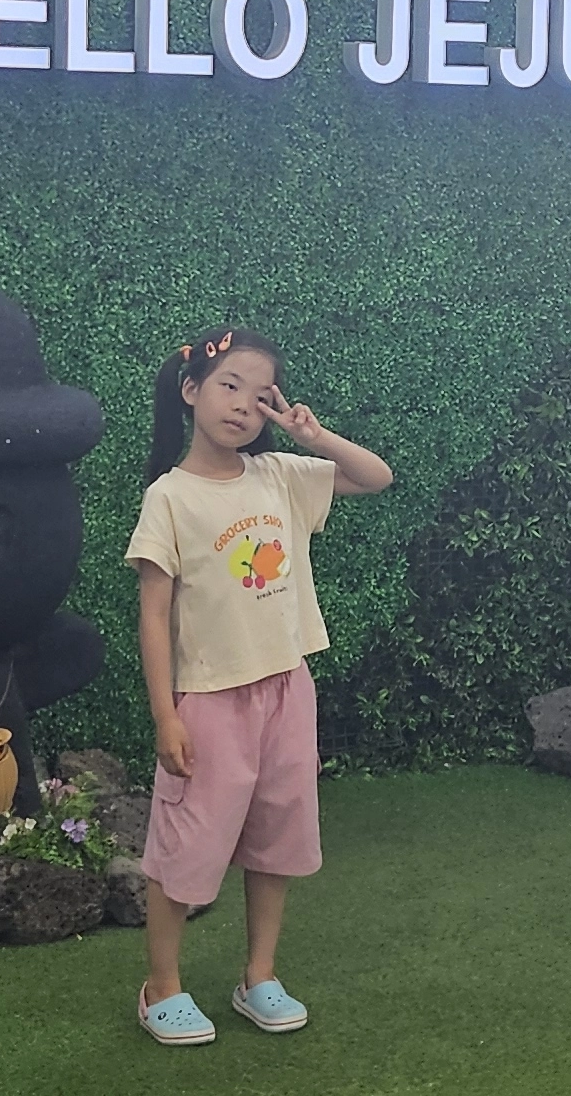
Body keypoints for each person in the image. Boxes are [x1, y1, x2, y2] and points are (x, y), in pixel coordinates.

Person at [125, 327, 393, 1046]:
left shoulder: (281, 475)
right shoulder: (170, 497)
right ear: (191, 391)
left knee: (277, 839)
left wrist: (312, 433)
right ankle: (161, 988)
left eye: (259, 393)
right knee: (185, 848)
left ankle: (259, 977)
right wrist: (166, 716)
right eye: (229, 386)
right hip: (209, 701)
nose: (243, 405)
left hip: (286, 689)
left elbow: (375, 477)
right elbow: (153, 616)